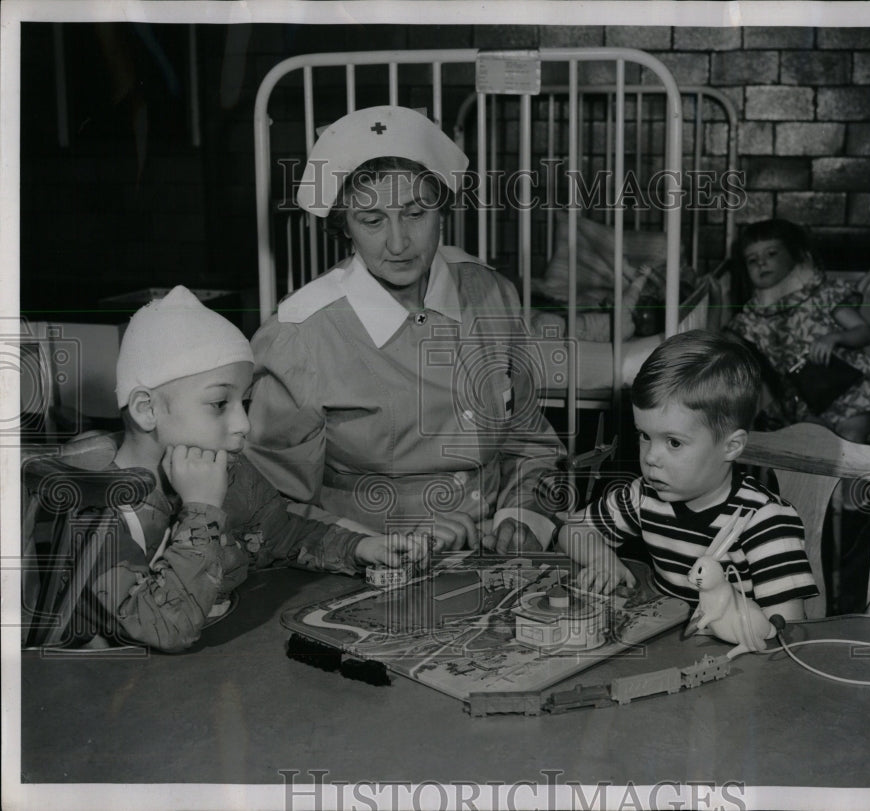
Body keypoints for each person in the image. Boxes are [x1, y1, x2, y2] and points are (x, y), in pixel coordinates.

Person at [22, 286, 423, 652]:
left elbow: (278, 534)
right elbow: (165, 628)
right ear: (147, 410)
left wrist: (358, 547)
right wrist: (201, 510)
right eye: (219, 404)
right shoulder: (101, 508)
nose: (243, 424)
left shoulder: (227, 470)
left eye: (242, 403)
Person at [246, 106, 568, 553]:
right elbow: (265, 510)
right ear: (345, 227)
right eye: (372, 220)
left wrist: (521, 519)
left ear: (444, 212)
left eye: (416, 213)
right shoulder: (301, 338)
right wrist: (370, 548)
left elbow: (530, 443)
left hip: (494, 559)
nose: (398, 244)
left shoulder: (490, 295)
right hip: (365, 572)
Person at [558, 330, 819, 622]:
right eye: (645, 435)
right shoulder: (643, 496)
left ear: (731, 446)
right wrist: (602, 560)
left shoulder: (765, 522)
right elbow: (572, 530)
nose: (650, 457)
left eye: (673, 442)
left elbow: (788, 632)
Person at [721, 219, 870, 443]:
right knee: (812, 443)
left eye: (771, 254)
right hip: (806, 401)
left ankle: (846, 477)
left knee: (850, 439)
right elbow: (732, 345)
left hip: (853, 392)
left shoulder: (821, 295)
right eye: (753, 260)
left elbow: (865, 332)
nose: (762, 263)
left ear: (795, 255)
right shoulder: (752, 319)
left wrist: (835, 337)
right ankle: (825, 477)